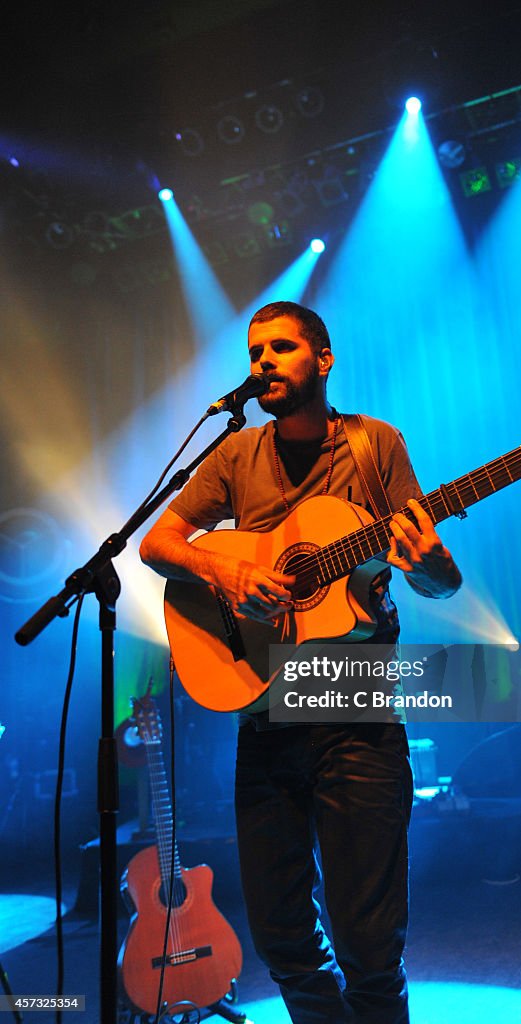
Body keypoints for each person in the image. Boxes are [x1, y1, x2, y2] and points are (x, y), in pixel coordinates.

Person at [139, 301, 462, 1023]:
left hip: (354, 707)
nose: (263, 363)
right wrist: (227, 576)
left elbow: (435, 578)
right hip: (265, 713)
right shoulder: (234, 454)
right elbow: (157, 545)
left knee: (367, 943)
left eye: (281, 349)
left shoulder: (375, 445)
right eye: (255, 353)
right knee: (282, 936)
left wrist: (433, 564)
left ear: (323, 359)